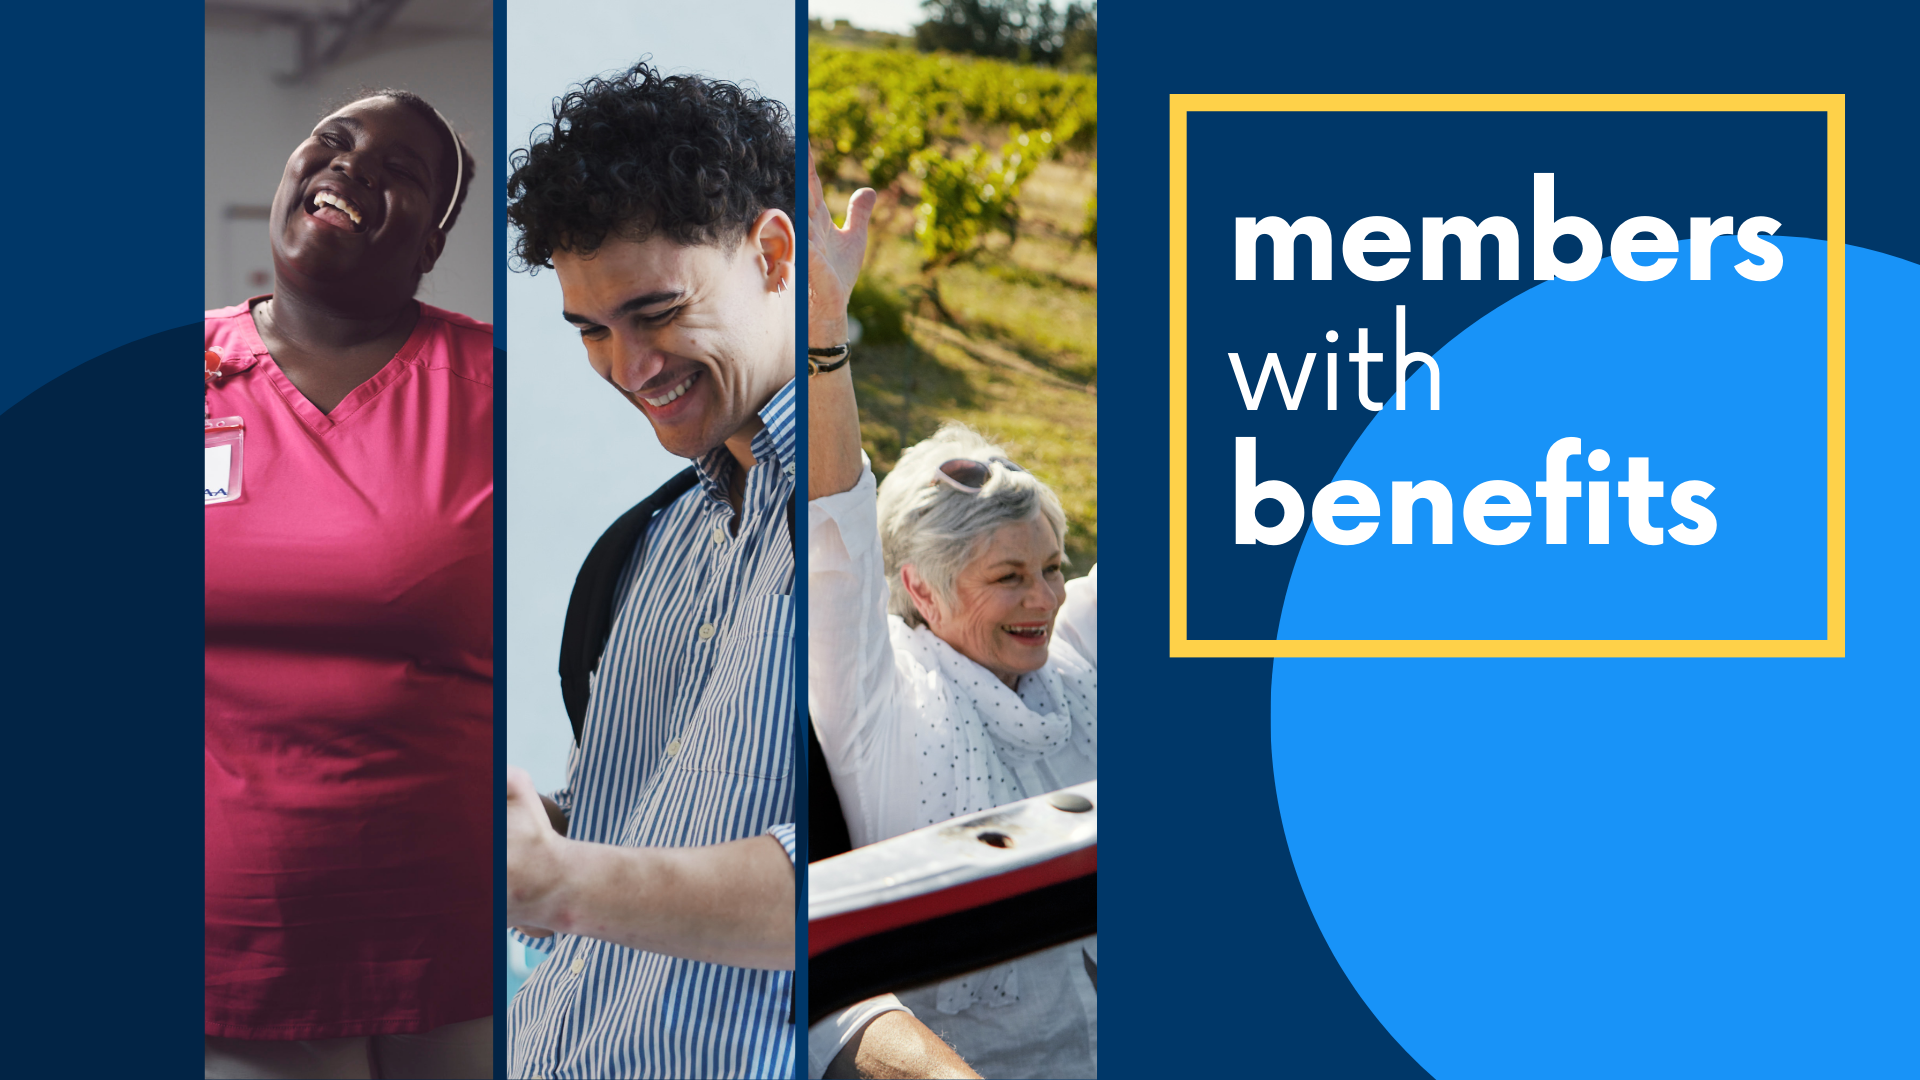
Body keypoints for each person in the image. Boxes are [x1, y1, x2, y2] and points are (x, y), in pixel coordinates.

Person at [501, 63, 798, 1080]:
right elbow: (629, 830)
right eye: (592, 331)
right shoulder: (636, 556)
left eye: (656, 311)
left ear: (769, 254)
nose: (630, 369)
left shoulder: (883, 533)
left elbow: (867, 886)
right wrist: (529, 838)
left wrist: (560, 878)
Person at [203, 90, 493, 1080]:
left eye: (400, 173)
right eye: (333, 142)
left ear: (432, 247)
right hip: (234, 942)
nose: (354, 166)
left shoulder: (495, 390)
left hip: (452, 939)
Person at [807, 150, 1098, 1078]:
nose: (1045, 599)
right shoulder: (880, 694)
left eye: (1054, 568)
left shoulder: (1072, 657)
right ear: (919, 588)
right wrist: (822, 335)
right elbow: (835, 526)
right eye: (1008, 576)